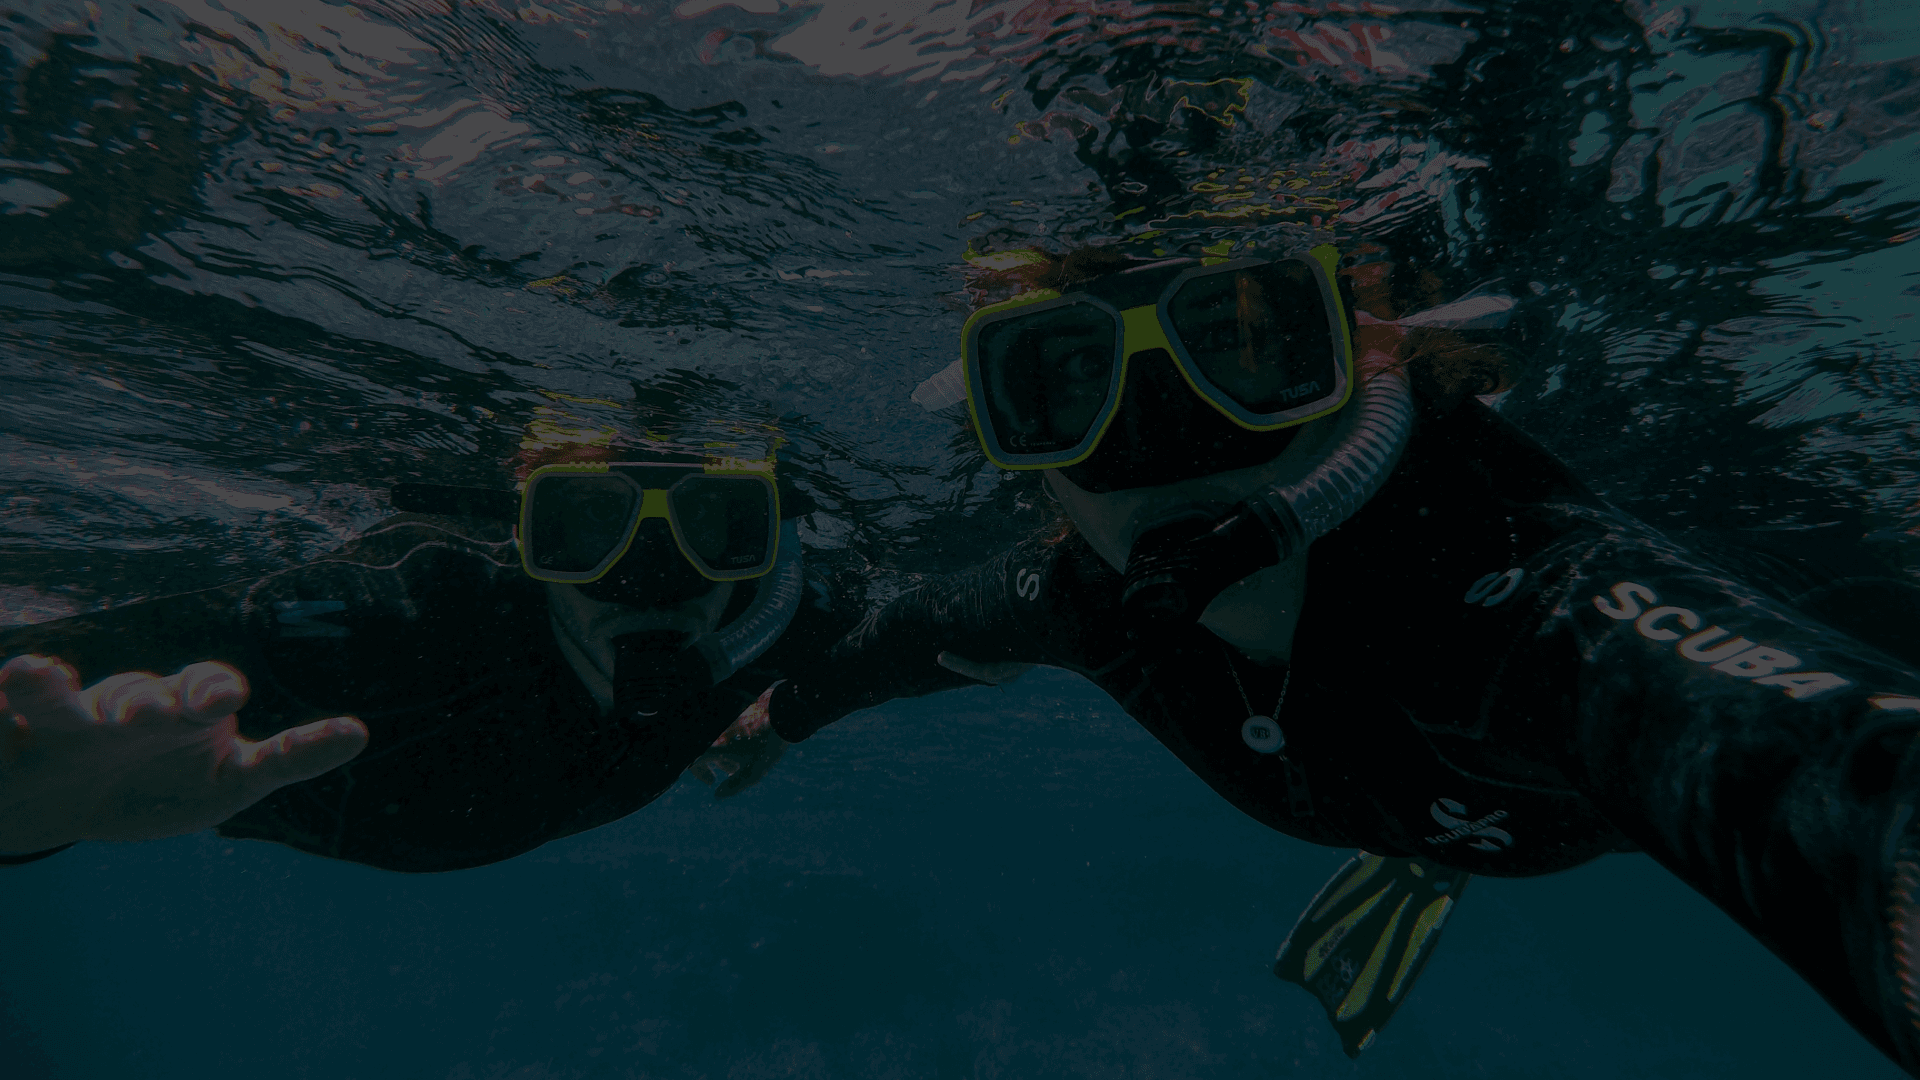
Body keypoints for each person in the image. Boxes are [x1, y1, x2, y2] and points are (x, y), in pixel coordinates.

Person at [759, 242, 1920, 1071]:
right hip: (1428, 804)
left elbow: (1814, 769)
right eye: (1066, 376)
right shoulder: (1084, 598)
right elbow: (904, 640)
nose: (1161, 434)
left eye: (1248, 346)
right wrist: (778, 718)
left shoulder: (1523, 595)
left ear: (1372, 369)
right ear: (1022, 446)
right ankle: (1425, 849)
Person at [0, 402, 842, 872]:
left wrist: (795, 709)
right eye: (585, 524)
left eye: (714, 526)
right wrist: (28, 821)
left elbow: (937, 631)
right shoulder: (392, 620)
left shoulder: (779, 613)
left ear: (765, 540)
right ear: (523, 535)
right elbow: (47, 702)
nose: (653, 578)